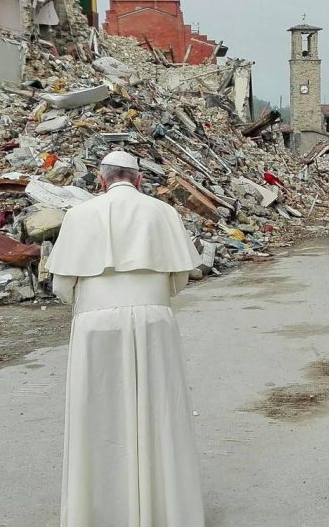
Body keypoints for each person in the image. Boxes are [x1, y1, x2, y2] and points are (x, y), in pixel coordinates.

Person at [46, 151, 205, 527]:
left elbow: (62, 287)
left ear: (100, 181)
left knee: (97, 416)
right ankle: (165, 513)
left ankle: (98, 514)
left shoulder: (79, 215)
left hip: (94, 326)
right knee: (159, 413)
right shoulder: (162, 213)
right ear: (138, 180)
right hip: (153, 321)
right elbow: (179, 279)